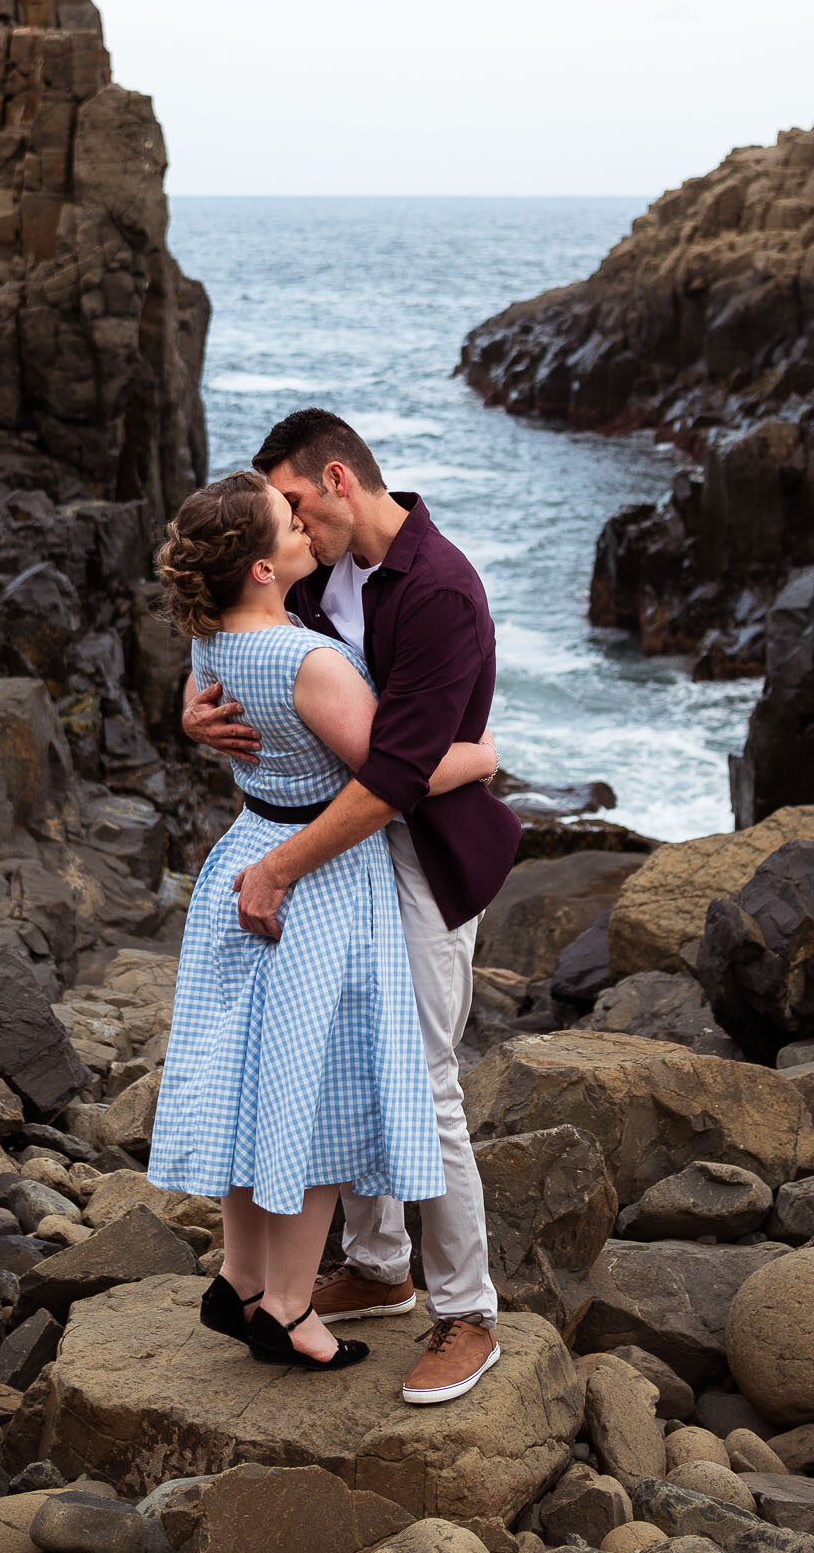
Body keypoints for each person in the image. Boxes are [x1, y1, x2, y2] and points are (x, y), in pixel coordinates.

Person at [184, 409, 522, 1407]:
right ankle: (378, 1264)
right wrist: (192, 710)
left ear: (338, 479)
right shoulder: (312, 576)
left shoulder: (441, 591)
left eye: (291, 504)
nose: (285, 525)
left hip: (416, 854)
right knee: (347, 1057)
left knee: (418, 1076)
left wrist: (277, 864)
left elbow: (393, 777)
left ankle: (470, 1312)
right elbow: (245, 647)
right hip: (347, 861)